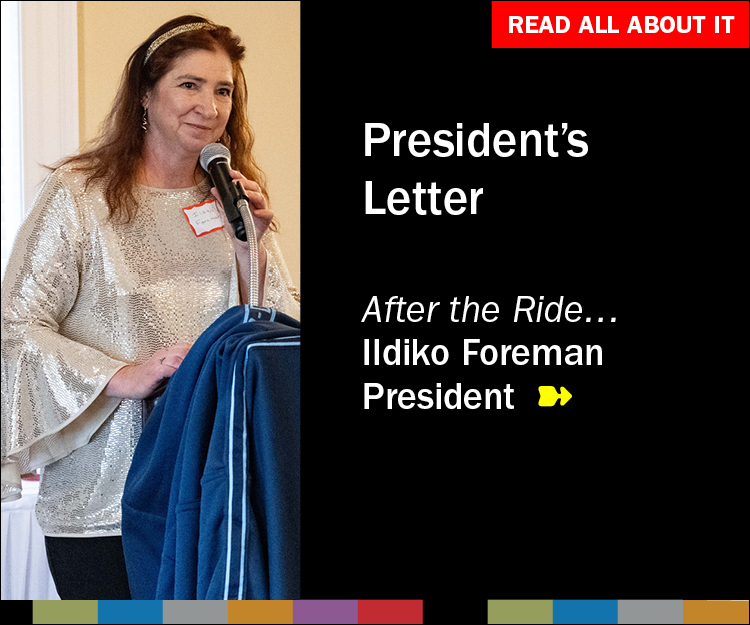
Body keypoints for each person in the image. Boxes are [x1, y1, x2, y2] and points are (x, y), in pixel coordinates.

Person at [0, 15, 300, 600]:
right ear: (145, 91)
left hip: (211, 493)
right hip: (102, 498)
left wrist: (251, 251)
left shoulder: (231, 200)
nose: (209, 107)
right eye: (189, 85)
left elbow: (274, 335)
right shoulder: (79, 195)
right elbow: (16, 328)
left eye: (223, 90)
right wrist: (121, 375)